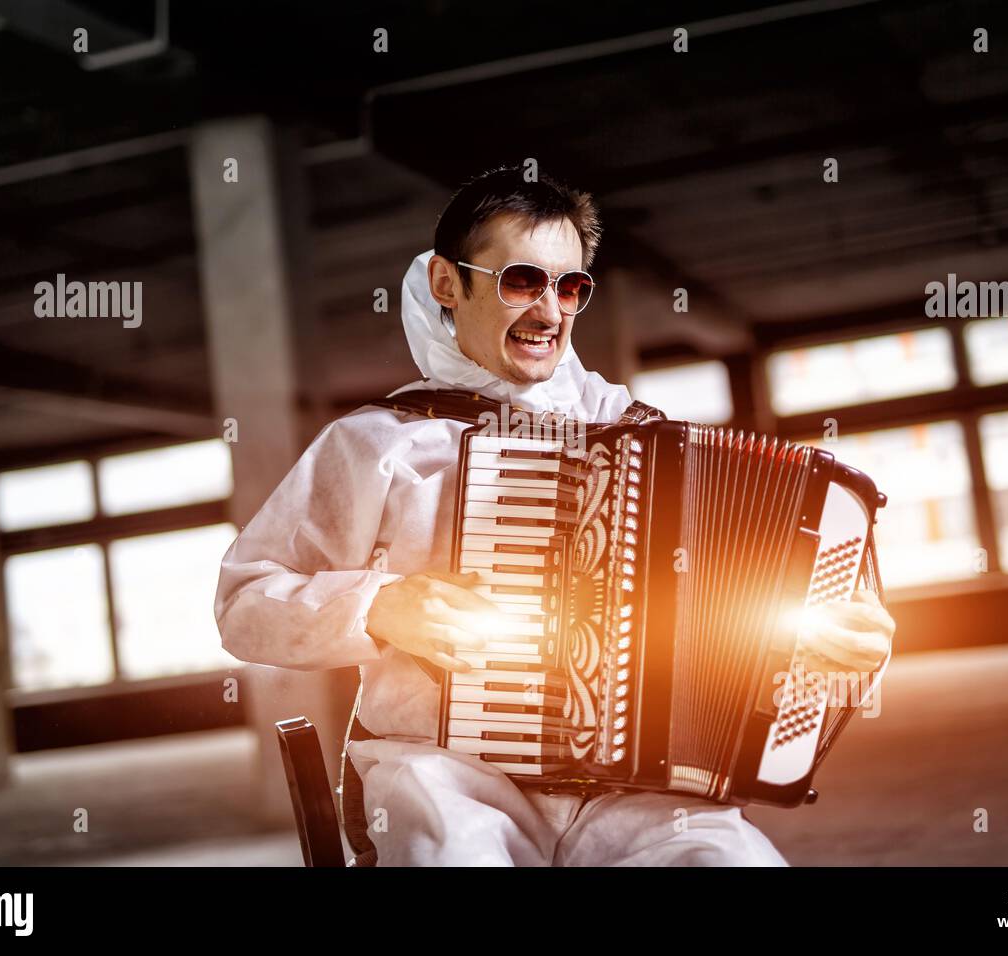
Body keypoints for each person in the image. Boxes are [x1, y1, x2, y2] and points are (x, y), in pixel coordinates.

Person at [214, 166, 895, 866]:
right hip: (449, 778)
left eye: (570, 287)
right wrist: (381, 605)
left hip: (640, 788)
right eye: (520, 281)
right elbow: (243, 601)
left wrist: (843, 654)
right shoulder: (376, 442)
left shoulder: (646, 438)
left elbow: (755, 625)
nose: (549, 312)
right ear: (448, 284)